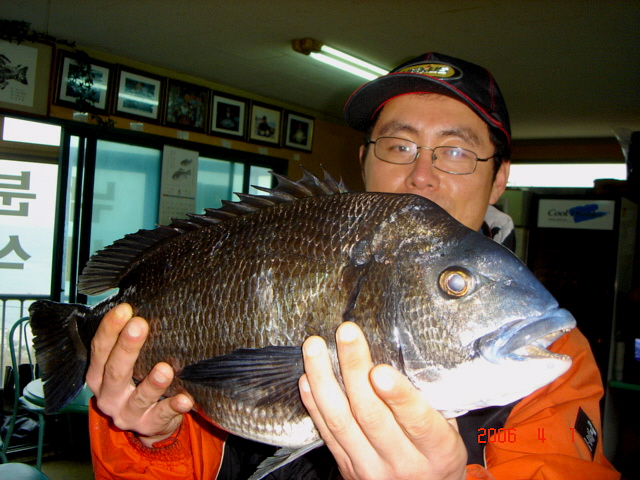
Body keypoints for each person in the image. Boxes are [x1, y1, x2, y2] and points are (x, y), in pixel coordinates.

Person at [86, 52, 620, 479]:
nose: (422, 174)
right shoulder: (306, 235)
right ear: (365, 160)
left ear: (499, 178)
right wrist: (149, 437)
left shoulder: (548, 358)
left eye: (456, 151)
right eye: (399, 145)